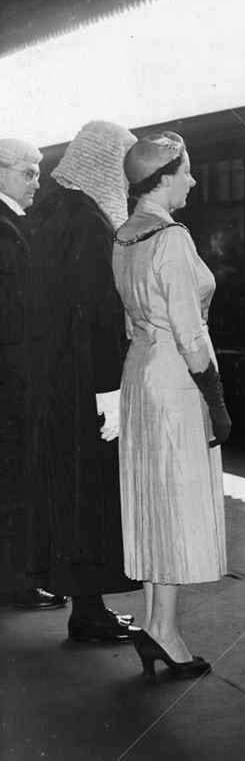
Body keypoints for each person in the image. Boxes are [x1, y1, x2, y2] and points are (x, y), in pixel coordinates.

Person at [113, 132, 231, 678]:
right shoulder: (172, 238)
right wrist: (216, 397)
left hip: (140, 375)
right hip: (177, 381)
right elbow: (190, 331)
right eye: (186, 171)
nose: (193, 180)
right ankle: (165, 632)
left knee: (154, 504)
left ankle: (160, 627)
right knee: (177, 507)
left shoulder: (124, 235)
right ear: (162, 178)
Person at [22, 121, 143, 642]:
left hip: (51, 377)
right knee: (90, 495)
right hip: (84, 382)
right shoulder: (90, 222)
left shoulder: (49, 210)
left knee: (66, 495)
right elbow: (97, 316)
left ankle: (82, 605)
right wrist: (111, 392)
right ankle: (89, 612)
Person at [0, 138, 67, 610]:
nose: (36, 183)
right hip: (12, 382)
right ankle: (12, 582)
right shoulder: (4, 230)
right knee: (14, 480)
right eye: (28, 173)